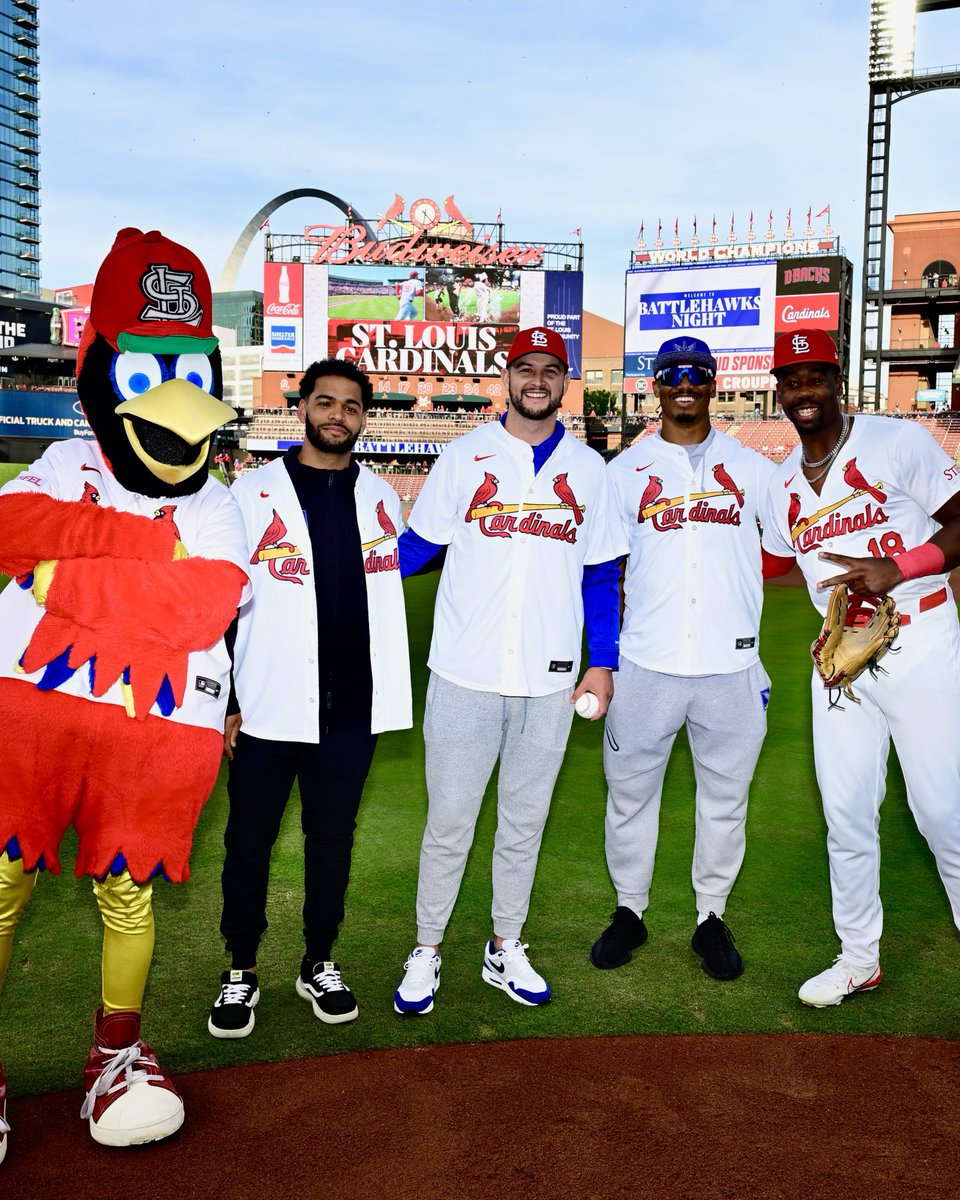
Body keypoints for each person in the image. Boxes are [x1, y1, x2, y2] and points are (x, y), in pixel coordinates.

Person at [393, 326, 625, 1013]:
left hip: (550, 680)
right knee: (450, 822)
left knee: (525, 822)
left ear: (564, 382)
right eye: (525, 366)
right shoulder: (464, 457)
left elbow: (601, 575)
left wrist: (603, 663)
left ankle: (504, 945)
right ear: (507, 376)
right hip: (464, 671)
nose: (536, 379)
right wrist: (346, 580)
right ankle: (427, 948)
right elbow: (416, 549)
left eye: (550, 369)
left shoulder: (589, 470)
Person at [208, 357, 411, 1038]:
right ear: (303, 408)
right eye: (326, 403)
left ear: (362, 418)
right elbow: (222, 607)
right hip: (268, 703)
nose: (337, 417)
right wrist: (227, 703)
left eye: (351, 407)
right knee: (249, 843)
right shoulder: (253, 492)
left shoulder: (380, 494)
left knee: (332, 843)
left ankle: (318, 961)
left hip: (352, 708)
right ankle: (240, 969)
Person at [761, 327, 960, 1007]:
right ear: (779, 391)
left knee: (944, 812)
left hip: (920, 633)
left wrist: (898, 567)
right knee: (846, 813)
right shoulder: (781, 484)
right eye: (791, 379)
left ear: (837, 381)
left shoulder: (894, 442)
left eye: (815, 375)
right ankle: (858, 959)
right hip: (840, 660)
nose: (804, 391)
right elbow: (765, 562)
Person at [592, 336, 775, 981]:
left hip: (732, 666)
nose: (687, 383)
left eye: (699, 373)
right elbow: (600, 569)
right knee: (629, 795)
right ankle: (629, 910)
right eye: (674, 374)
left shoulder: (753, 469)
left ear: (714, 383)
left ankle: (711, 916)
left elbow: (790, 548)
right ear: (657, 385)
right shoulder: (624, 471)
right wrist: (601, 659)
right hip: (646, 662)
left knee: (725, 800)